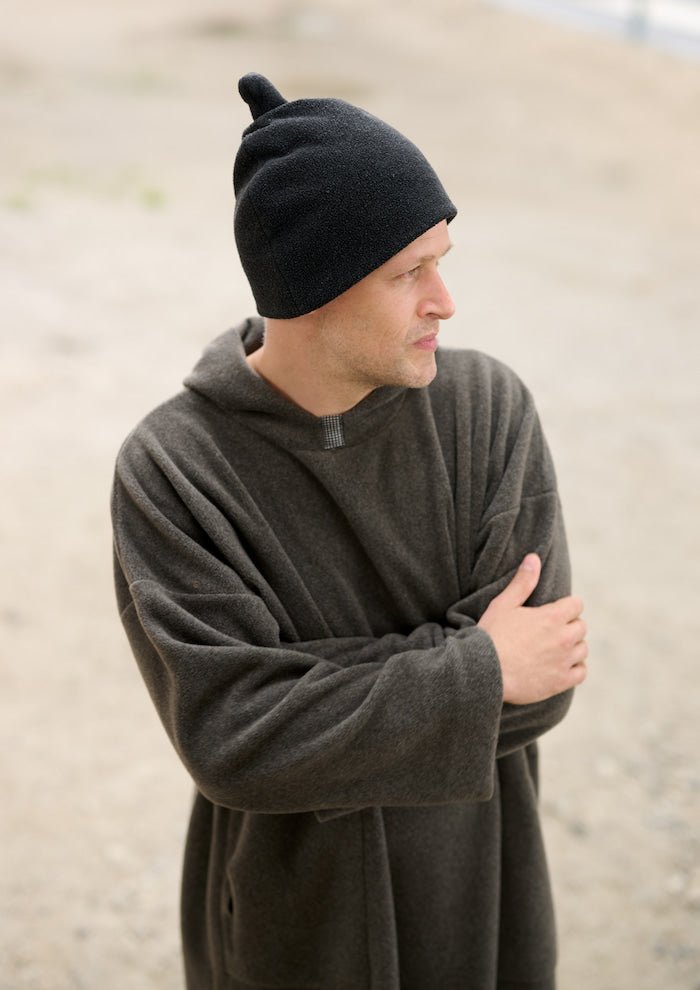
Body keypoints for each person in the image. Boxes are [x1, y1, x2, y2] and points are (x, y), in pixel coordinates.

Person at [111, 72, 588, 990]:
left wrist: (310, 694)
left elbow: (547, 683)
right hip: (290, 925)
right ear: (311, 289)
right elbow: (235, 742)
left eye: (442, 260)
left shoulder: (487, 409)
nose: (444, 300)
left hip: (480, 899)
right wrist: (480, 667)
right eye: (409, 273)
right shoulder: (174, 469)